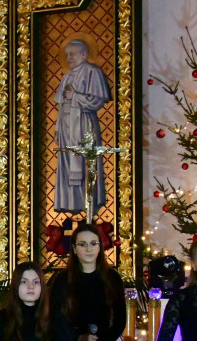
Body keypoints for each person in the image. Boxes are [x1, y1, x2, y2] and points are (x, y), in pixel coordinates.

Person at [53, 39, 111, 213]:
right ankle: (70, 202)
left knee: (85, 161)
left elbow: (98, 100)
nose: (69, 58)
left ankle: (89, 203)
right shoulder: (67, 76)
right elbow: (62, 104)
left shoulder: (92, 72)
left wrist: (76, 96)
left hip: (83, 125)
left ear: (84, 54)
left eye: (73, 54)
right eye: (67, 55)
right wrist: (57, 130)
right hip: (66, 127)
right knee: (66, 163)